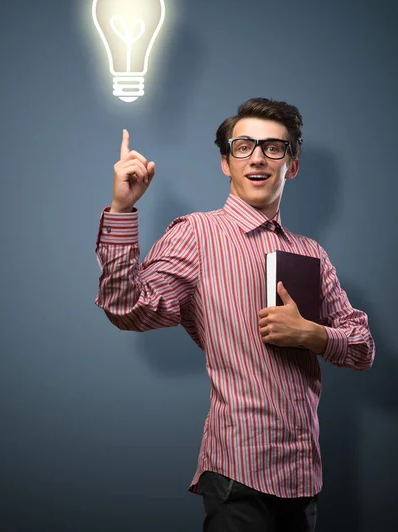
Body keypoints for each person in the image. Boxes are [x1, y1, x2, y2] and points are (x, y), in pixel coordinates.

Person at [94, 98, 375, 532]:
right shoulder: (197, 234)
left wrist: (313, 335)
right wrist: (122, 211)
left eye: (273, 148)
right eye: (243, 146)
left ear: (292, 165)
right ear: (226, 162)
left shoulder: (311, 253)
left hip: (303, 476)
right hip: (237, 471)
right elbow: (127, 309)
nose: (258, 157)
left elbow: (362, 348)